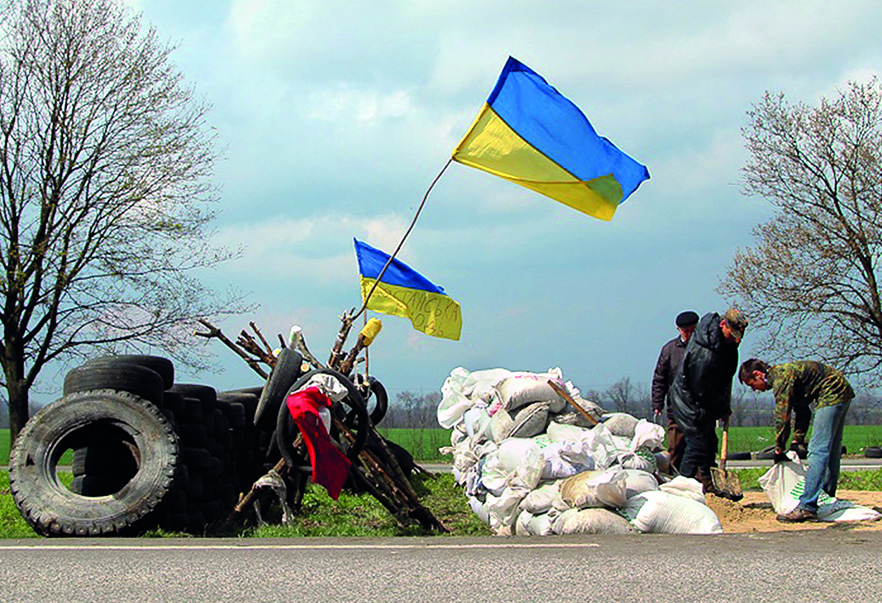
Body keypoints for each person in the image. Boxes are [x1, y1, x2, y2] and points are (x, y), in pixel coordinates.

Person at [739, 358, 854, 522]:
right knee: (831, 451)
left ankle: (808, 507)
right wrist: (796, 441)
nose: (755, 390)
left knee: (817, 451)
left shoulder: (781, 379)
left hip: (831, 393)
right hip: (842, 390)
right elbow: (803, 411)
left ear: (757, 374)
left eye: (752, 385)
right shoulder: (788, 376)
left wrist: (779, 449)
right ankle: (826, 498)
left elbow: (782, 418)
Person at [667, 308, 748, 492]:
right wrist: (721, 407)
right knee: (697, 445)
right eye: (732, 334)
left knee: (710, 443)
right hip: (689, 402)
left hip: (705, 402)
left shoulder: (725, 345)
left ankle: (709, 484)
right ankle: (681, 488)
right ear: (722, 325)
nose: (735, 339)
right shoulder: (705, 353)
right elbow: (701, 390)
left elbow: (724, 375)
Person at [651, 310, 699, 470]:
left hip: (699, 409)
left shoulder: (704, 349)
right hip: (676, 409)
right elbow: (660, 378)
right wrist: (657, 403)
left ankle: (700, 483)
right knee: (675, 449)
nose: (689, 334)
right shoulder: (669, 350)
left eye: (693, 330)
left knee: (699, 450)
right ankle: (672, 479)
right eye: (686, 331)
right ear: (678, 329)